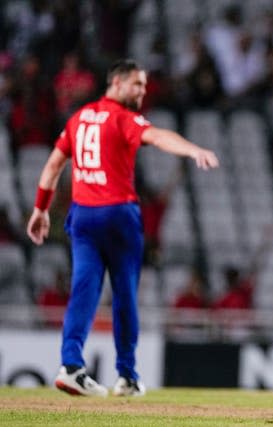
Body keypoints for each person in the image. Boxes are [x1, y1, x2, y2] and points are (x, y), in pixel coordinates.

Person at [26, 59, 219, 398]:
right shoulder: (123, 118)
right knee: (125, 294)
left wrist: (40, 209)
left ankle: (70, 366)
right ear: (115, 84)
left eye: (144, 86)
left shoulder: (79, 118)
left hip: (83, 216)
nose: (142, 92)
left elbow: (54, 164)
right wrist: (192, 149)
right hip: (118, 214)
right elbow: (157, 136)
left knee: (83, 289)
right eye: (136, 84)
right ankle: (126, 375)